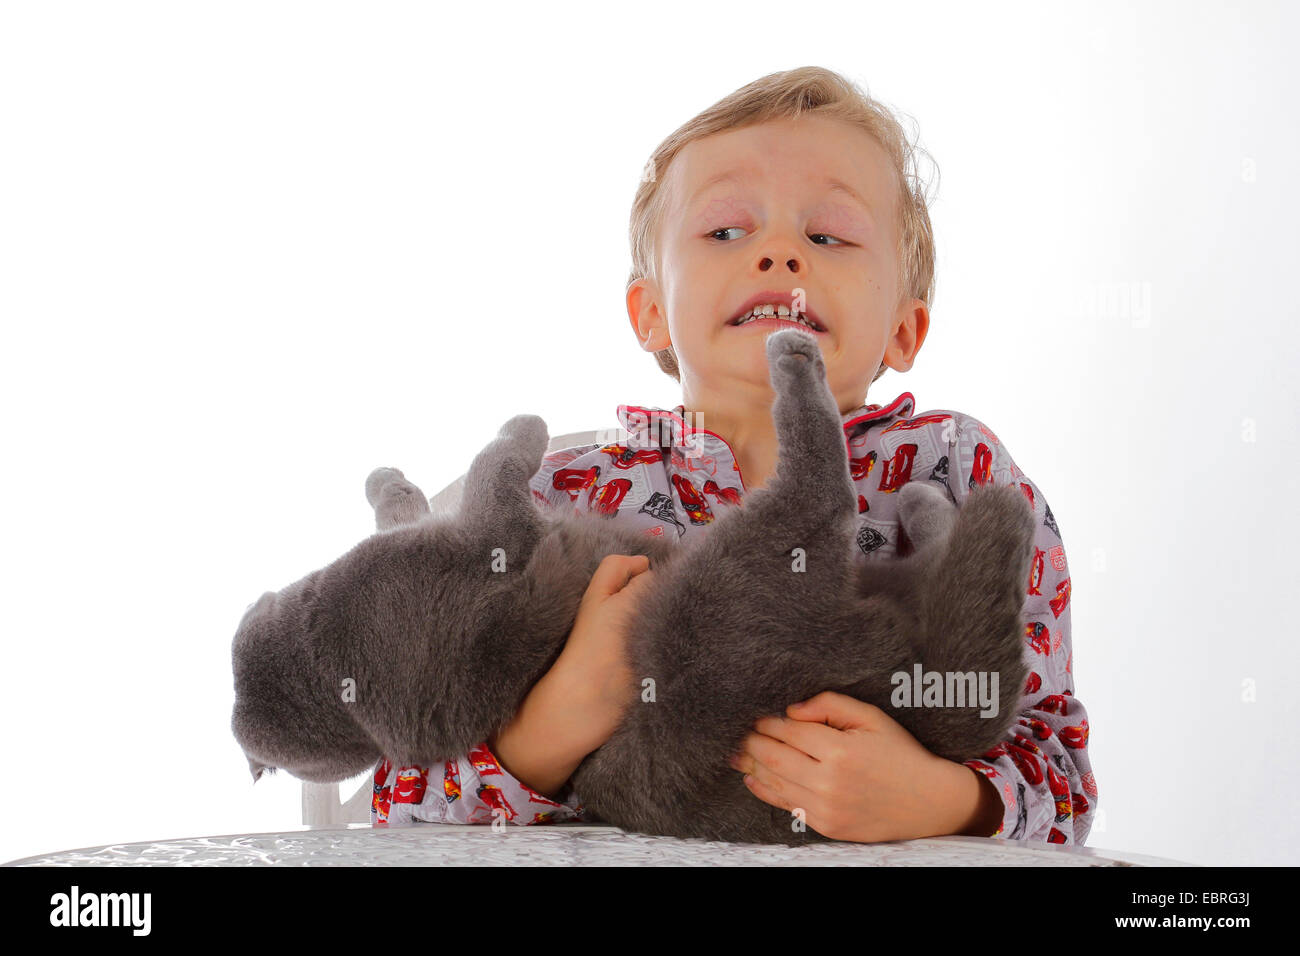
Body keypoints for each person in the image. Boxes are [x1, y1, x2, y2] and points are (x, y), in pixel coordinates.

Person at [372, 66, 1097, 845]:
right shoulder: (554, 502)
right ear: (650, 314)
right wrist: (552, 723)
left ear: (904, 329)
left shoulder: (959, 472)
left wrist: (943, 800)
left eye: (829, 236)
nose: (781, 253)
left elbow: (1059, 775)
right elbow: (400, 810)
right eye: (725, 231)